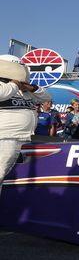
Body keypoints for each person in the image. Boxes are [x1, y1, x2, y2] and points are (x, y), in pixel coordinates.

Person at [0, 55, 51, 196]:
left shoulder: (25, 91)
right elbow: (2, 93)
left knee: (13, 179)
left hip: (24, 139)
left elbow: (46, 98)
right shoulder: (6, 86)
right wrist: (14, 84)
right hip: (5, 137)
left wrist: (30, 87)